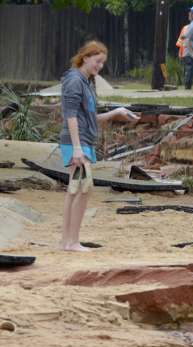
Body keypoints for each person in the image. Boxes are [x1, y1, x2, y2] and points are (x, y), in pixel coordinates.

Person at [58, 41, 138, 252]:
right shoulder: (74, 80)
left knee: (75, 189)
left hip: (84, 141)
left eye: (102, 62)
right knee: (84, 188)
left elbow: (90, 117)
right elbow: (70, 116)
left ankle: (67, 241)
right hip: (77, 142)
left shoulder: (86, 82)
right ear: (85, 57)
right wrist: (77, 148)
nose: (100, 66)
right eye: (97, 61)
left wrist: (117, 112)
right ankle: (72, 241)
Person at [175, 7, 193, 89]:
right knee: (189, 69)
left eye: (192, 13)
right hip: (187, 53)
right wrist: (180, 53)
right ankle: (188, 86)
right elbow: (181, 42)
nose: (190, 14)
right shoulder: (185, 28)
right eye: (190, 12)